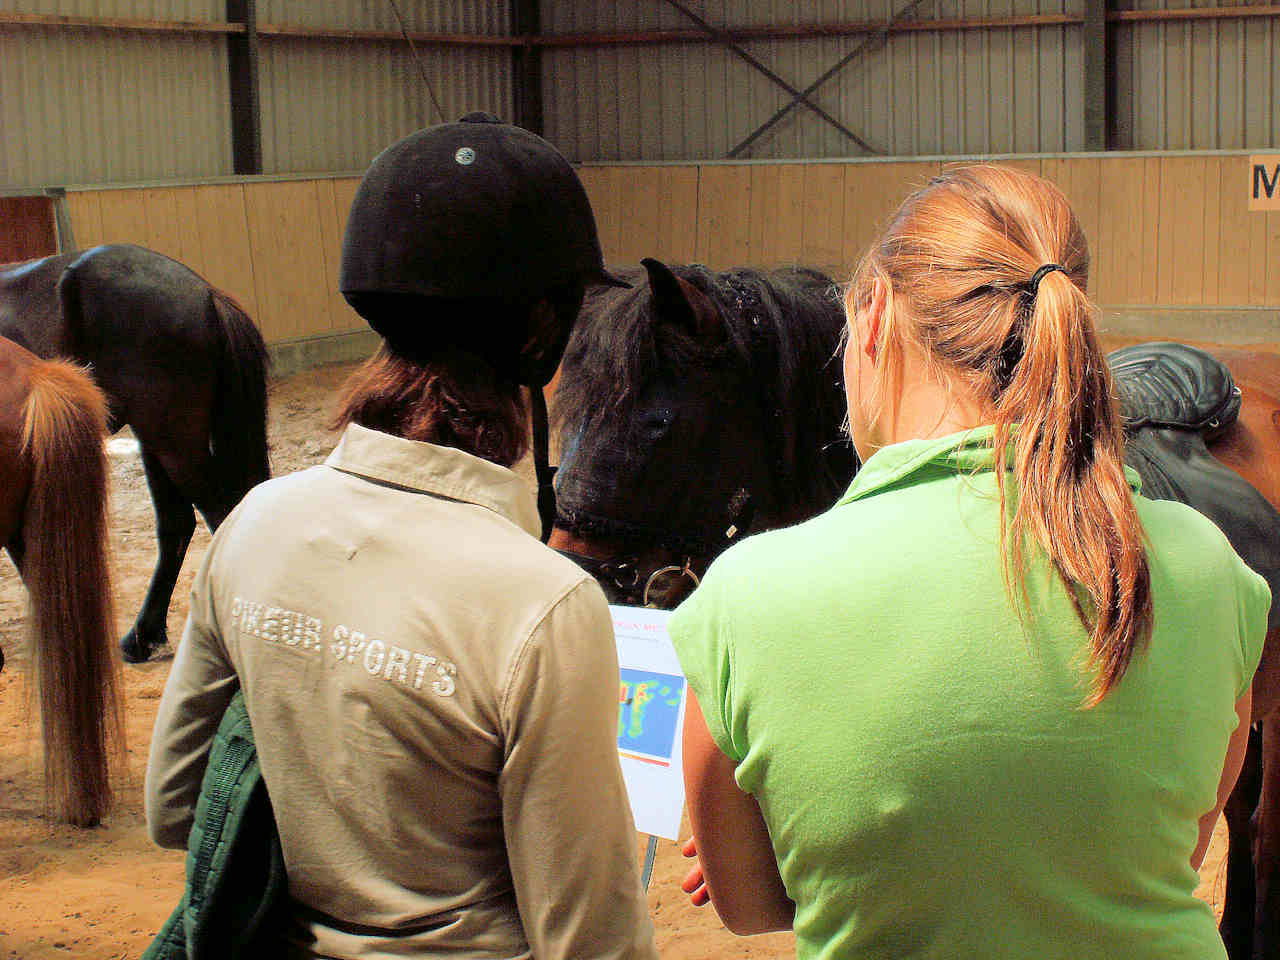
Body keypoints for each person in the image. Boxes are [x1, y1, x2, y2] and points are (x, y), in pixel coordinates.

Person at [669, 164, 1269, 959]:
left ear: (876, 315)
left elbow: (746, 904)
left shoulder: (744, 596)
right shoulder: (1208, 566)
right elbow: (1169, 858)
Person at [145, 114, 659, 960]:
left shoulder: (256, 525)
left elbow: (175, 808)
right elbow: (592, 941)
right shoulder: (545, 603)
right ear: (540, 332)